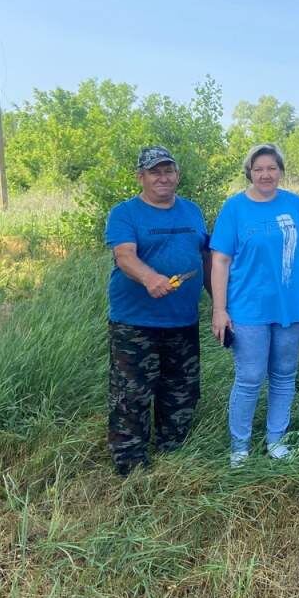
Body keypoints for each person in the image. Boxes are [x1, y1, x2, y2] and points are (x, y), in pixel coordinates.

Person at [210, 144, 299, 467]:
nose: (265, 174)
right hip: (247, 308)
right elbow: (220, 260)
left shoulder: (295, 205)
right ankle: (240, 447)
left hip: (291, 307)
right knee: (249, 377)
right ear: (249, 171)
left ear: (280, 171)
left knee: (285, 376)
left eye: (272, 168)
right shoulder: (234, 209)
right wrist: (219, 309)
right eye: (259, 168)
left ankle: (277, 439)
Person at [105, 146, 211, 476]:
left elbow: (206, 259)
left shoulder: (192, 211)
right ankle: (130, 463)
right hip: (135, 322)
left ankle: (172, 452)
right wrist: (150, 277)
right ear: (141, 177)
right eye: (155, 172)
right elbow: (124, 256)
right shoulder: (125, 213)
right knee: (131, 393)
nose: (163, 177)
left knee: (181, 389)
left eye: (168, 171)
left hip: (183, 320)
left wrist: (222, 302)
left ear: (177, 175)